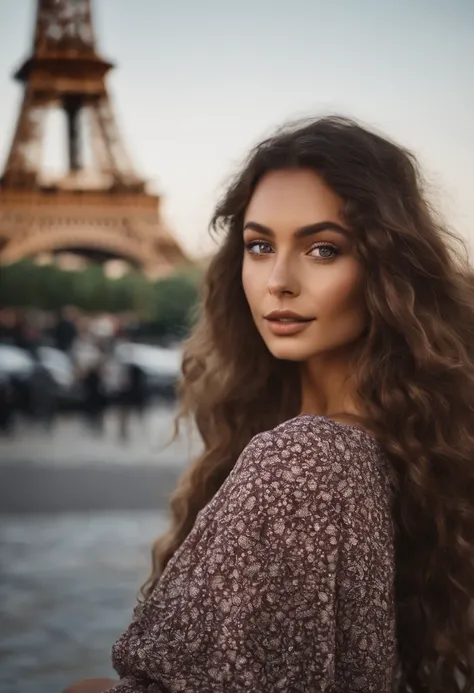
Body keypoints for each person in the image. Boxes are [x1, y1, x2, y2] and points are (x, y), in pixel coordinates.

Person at [64, 115, 474, 693]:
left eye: (323, 249)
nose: (277, 280)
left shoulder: (304, 458)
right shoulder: (392, 450)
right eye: (259, 246)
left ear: (386, 270)